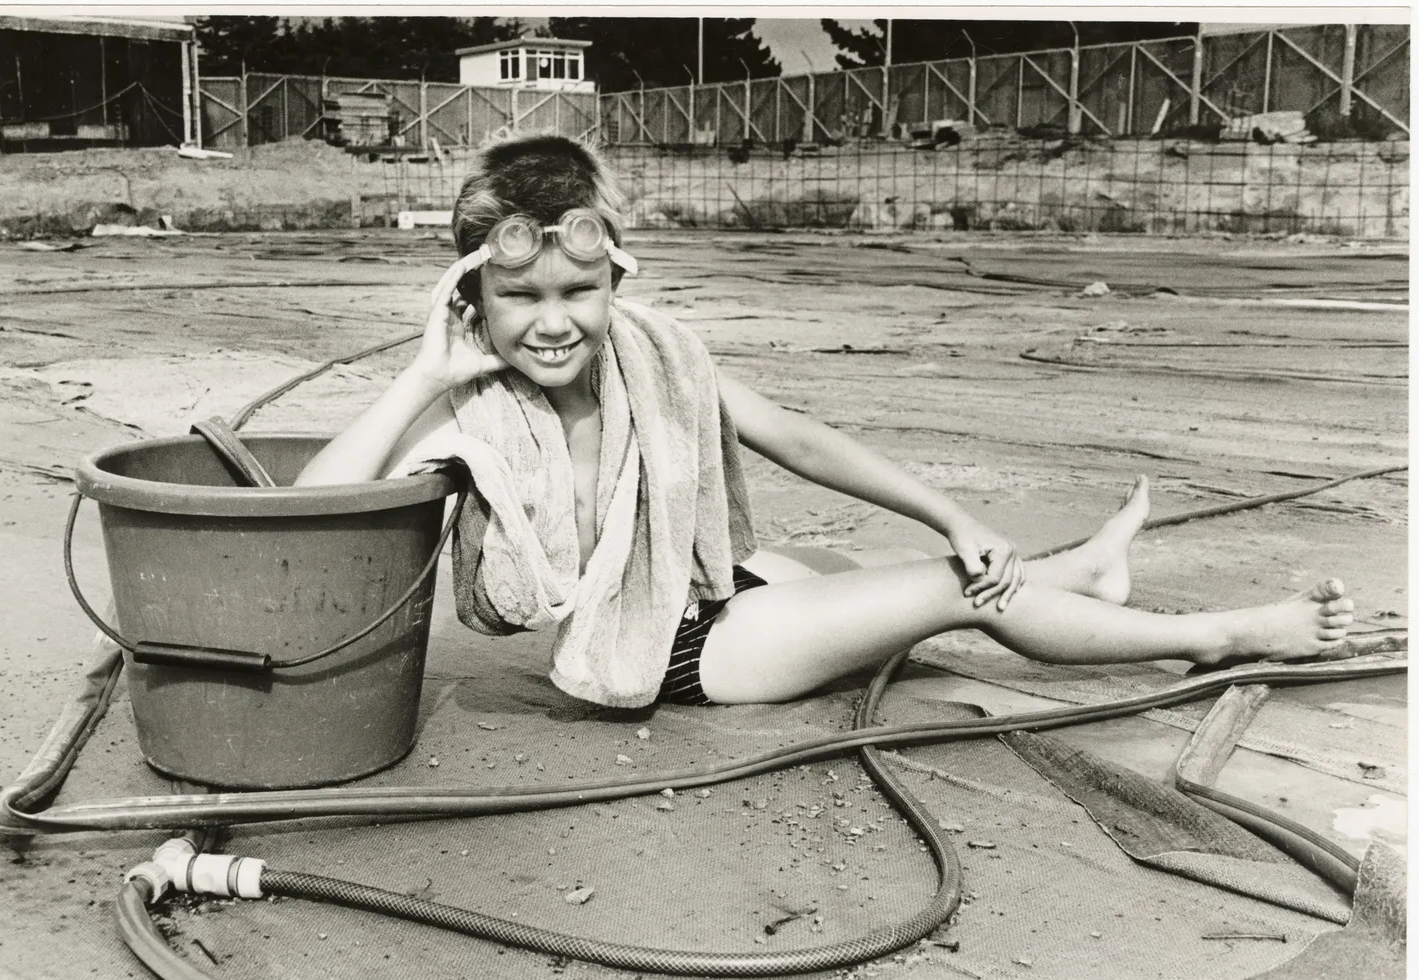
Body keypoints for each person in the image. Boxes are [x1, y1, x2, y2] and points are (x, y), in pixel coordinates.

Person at [295, 135, 1355, 707]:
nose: (554, 322)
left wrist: (950, 511)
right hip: (682, 657)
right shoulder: (472, 406)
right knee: (954, 593)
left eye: (580, 290)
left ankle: (1083, 574)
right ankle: (1216, 638)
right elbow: (308, 511)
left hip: (720, 589)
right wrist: (425, 374)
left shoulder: (653, 356)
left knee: (886, 562)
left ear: (616, 281)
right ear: (471, 295)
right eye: (520, 298)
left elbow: (797, 438)